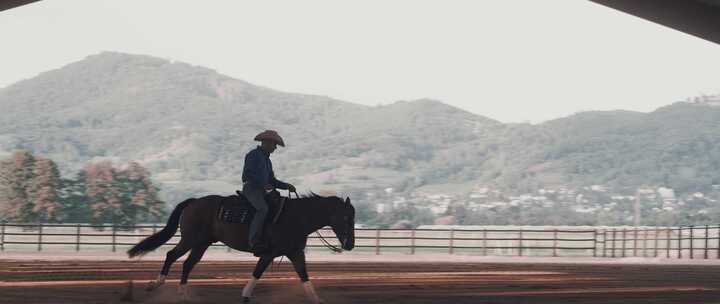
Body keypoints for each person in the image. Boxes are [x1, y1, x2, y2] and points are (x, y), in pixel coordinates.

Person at [242, 130, 296, 253]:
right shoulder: (253, 155)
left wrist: (286, 186)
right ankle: (253, 241)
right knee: (263, 209)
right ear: (266, 143)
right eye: (274, 144)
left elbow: (272, 180)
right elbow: (249, 174)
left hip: (262, 190)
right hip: (251, 188)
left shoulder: (267, 160)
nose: (275, 147)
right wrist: (265, 186)